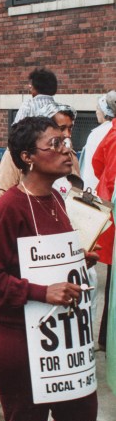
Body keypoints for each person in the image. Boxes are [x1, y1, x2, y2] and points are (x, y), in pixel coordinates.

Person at [0, 117, 98, 421]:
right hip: (16, 341)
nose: (66, 149)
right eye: (55, 143)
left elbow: (40, 260)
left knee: (80, 415)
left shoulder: (55, 199)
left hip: (56, 337)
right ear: (28, 157)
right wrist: (41, 292)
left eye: (67, 140)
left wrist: (75, 262)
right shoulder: (8, 208)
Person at [0, 102, 79, 207]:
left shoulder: (70, 155)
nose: (67, 134)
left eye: (70, 128)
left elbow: (76, 194)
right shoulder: (18, 151)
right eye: (62, 128)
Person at [92, 119, 116, 350]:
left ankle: (106, 338)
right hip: (113, 212)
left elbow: (97, 164)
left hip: (109, 212)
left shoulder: (111, 132)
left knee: (112, 282)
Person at [79, 90, 116, 193]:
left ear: (105, 112)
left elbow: (96, 164)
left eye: (98, 108)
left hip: (98, 188)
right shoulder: (109, 129)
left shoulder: (98, 133)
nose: (96, 111)